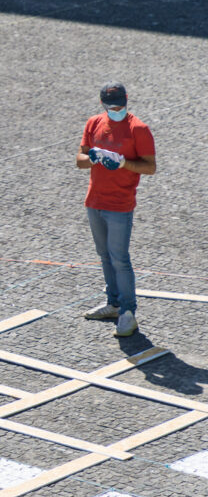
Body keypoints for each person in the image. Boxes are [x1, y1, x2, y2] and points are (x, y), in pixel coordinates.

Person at [76, 82, 156, 337]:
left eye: (120, 105)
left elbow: (150, 167)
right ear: (102, 104)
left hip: (120, 205)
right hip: (95, 201)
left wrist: (123, 163)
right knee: (105, 255)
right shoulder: (93, 123)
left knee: (120, 258)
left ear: (127, 100)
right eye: (111, 106)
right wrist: (93, 157)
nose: (116, 109)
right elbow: (79, 160)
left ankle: (128, 313)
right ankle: (113, 304)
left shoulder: (138, 129)